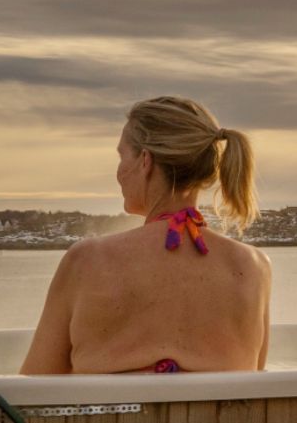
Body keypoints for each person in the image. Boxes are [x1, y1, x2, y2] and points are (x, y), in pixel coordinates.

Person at [20, 96, 272, 374]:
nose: (118, 172)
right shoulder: (254, 267)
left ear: (145, 161)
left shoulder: (88, 261)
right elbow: (256, 382)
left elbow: (33, 384)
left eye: (121, 156)